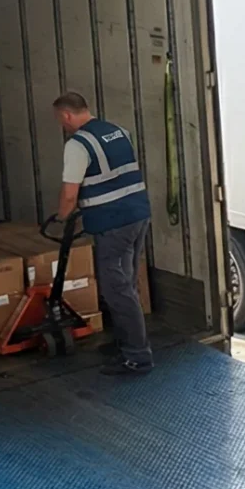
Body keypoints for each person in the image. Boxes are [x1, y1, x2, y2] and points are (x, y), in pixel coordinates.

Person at [52, 92, 153, 377]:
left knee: (116, 289)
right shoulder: (119, 132)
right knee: (127, 284)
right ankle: (125, 344)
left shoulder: (78, 144)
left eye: (60, 120)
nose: (62, 125)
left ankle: (137, 356)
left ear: (67, 115)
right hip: (138, 214)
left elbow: (70, 193)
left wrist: (62, 216)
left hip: (113, 223)